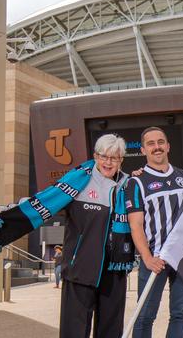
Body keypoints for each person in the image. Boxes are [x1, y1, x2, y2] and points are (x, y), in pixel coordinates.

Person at [59, 134, 130, 338]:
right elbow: (47, 201)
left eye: (114, 158)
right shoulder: (78, 182)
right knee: (74, 331)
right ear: (95, 156)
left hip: (115, 270)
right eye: (104, 156)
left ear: (121, 160)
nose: (108, 162)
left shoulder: (129, 185)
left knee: (111, 330)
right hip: (79, 268)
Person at [126, 127, 183, 338]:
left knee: (179, 314)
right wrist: (146, 257)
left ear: (168, 146)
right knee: (144, 315)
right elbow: (135, 225)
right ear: (143, 150)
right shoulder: (136, 182)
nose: (157, 147)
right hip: (155, 258)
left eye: (160, 142)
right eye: (151, 144)